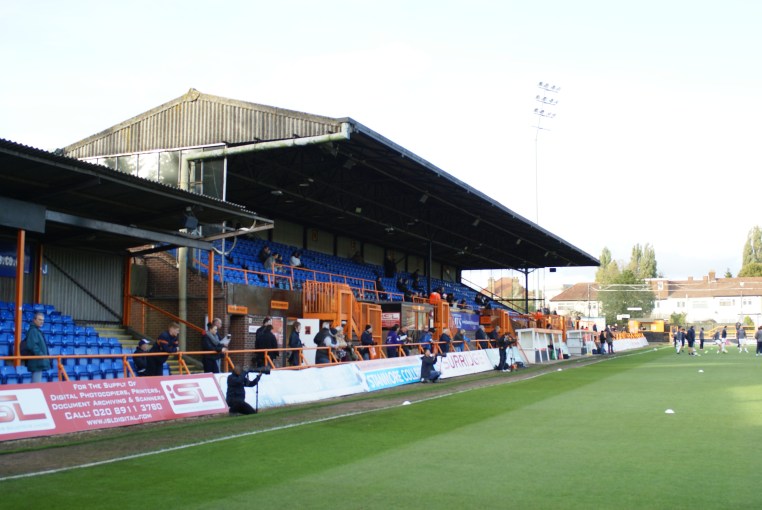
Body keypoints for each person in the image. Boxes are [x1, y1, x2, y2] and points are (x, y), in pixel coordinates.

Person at [24, 312, 51, 383]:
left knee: (35, 382)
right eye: (39, 320)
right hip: (37, 361)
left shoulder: (36, 331)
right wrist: (41, 355)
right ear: (34, 320)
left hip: (38, 361)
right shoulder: (33, 331)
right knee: (36, 383)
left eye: (43, 320)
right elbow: (32, 346)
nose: (42, 322)